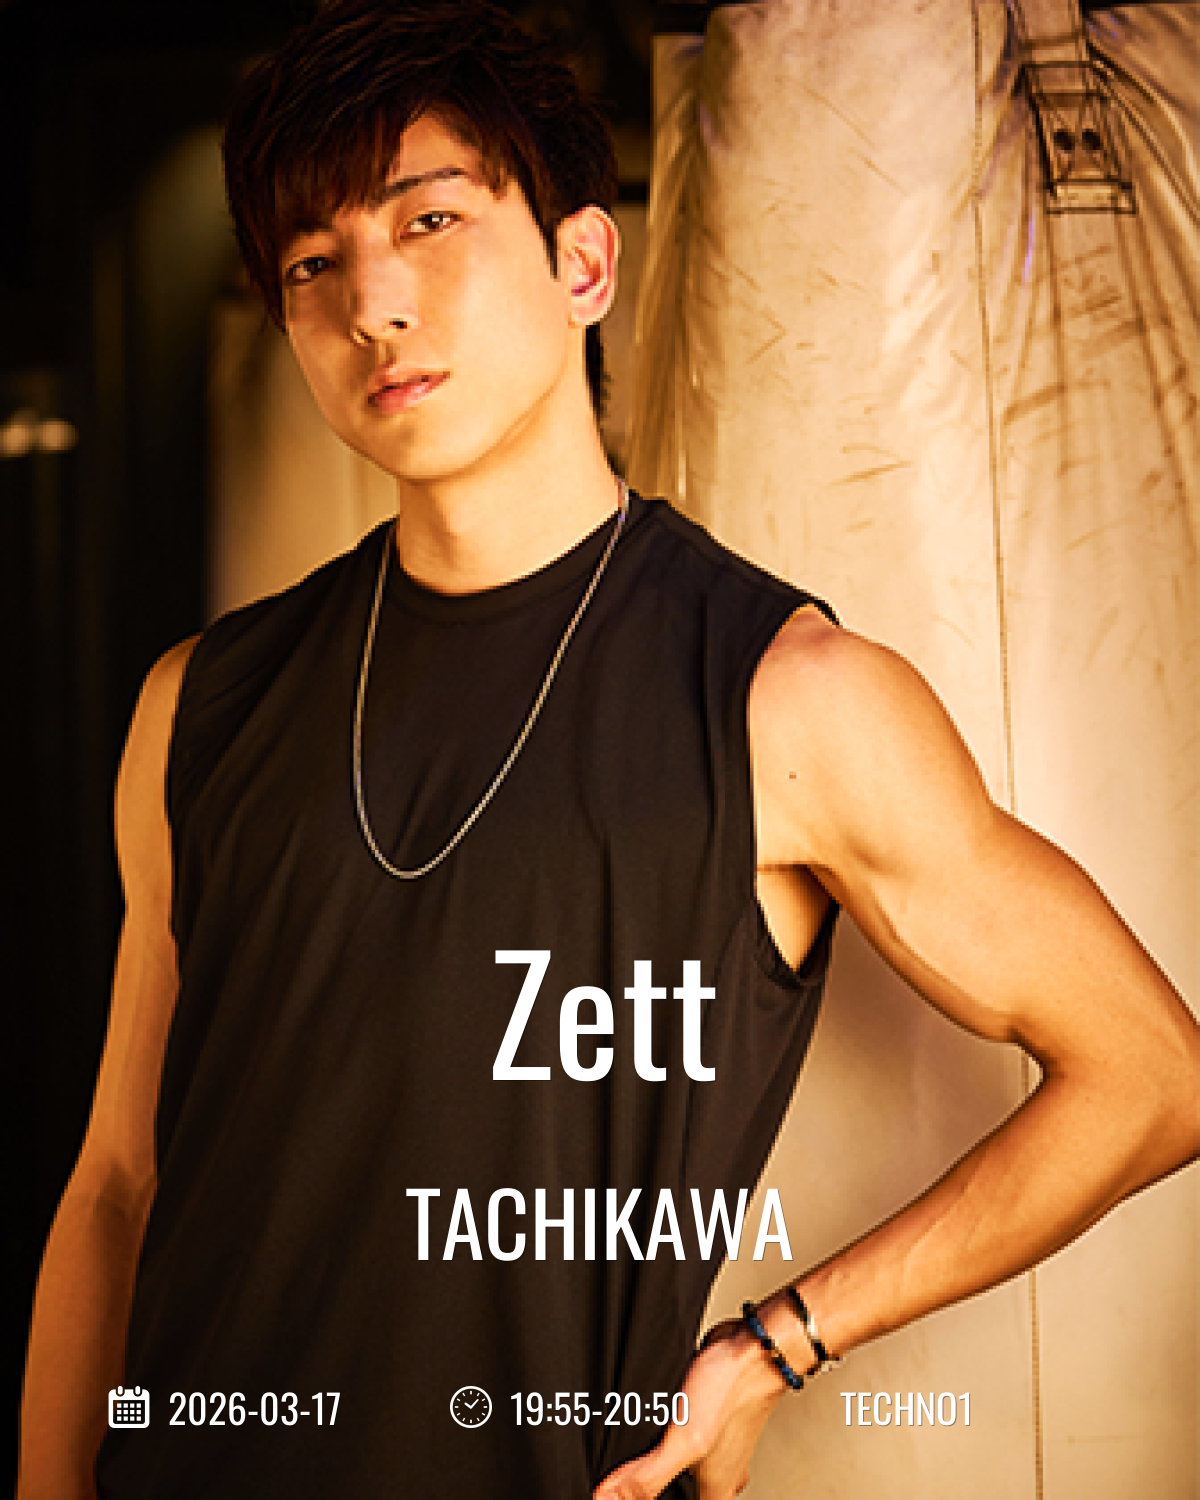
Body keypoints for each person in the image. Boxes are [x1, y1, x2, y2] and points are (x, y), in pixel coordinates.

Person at [17, 2, 1199, 1497]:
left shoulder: (786, 699)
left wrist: (779, 1342)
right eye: (313, 262)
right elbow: (119, 1185)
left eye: (429, 220)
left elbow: (1149, 1076)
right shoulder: (199, 701)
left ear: (584, 262)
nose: (372, 302)